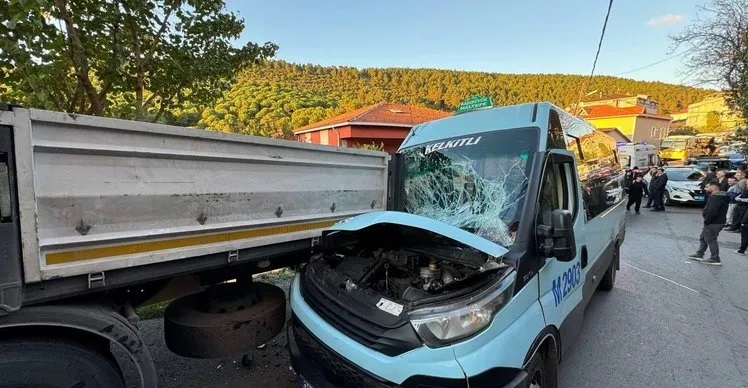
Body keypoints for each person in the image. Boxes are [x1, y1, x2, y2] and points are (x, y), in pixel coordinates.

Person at [688, 182, 730, 265]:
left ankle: (715, 258)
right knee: (703, 237)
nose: (705, 189)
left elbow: (712, 211)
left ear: (713, 187)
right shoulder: (721, 197)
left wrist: (707, 220)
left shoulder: (716, 198)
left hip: (713, 223)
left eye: (707, 187)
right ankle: (699, 253)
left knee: (710, 239)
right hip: (716, 222)